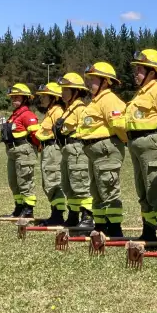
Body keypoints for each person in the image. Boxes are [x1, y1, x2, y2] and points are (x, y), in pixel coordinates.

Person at [126, 49, 157, 242]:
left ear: (153, 72)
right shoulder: (141, 94)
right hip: (138, 145)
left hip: (155, 144)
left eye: (140, 69)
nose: (136, 72)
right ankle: (149, 228)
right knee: (143, 190)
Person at [76, 62, 128, 236]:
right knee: (97, 190)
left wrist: (125, 142)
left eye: (94, 80)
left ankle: (114, 228)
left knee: (108, 188)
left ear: (106, 82)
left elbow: (119, 125)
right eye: (89, 80)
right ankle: (100, 225)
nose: (90, 83)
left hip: (106, 148)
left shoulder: (109, 100)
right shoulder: (96, 101)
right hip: (94, 151)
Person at [56, 72, 93, 228]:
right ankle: (73, 214)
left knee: (80, 183)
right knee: (68, 184)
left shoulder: (80, 109)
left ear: (76, 91)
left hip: (77, 149)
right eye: (62, 89)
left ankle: (88, 216)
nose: (62, 93)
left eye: (66, 90)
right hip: (67, 149)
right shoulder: (68, 109)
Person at [1, 83, 41, 218]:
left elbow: (35, 135)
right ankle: (19, 208)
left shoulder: (27, 115)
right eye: (12, 97)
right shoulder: (14, 115)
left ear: (25, 98)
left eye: (17, 97)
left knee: (25, 181)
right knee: (14, 182)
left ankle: (28, 210)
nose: (13, 100)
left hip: (24, 151)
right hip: (12, 151)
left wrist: (37, 148)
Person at [33, 82, 67, 226]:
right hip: (48, 149)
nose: (43, 99)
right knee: (48, 181)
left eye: (45, 96)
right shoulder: (51, 111)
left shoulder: (57, 111)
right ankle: (55, 212)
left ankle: (57, 215)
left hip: (53, 149)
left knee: (53, 180)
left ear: (54, 98)